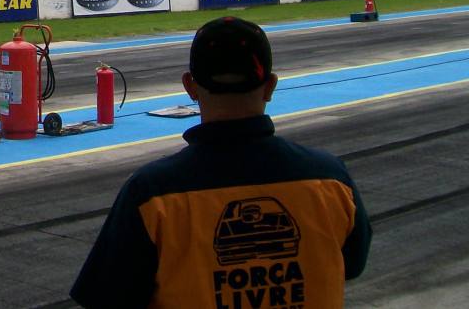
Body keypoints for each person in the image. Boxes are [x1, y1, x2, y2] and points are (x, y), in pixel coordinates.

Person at [71, 16, 371, 309]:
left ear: (190, 86)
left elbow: (106, 297)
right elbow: (352, 265)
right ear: (270, 86)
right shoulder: (331, 179)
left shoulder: (151, 193)